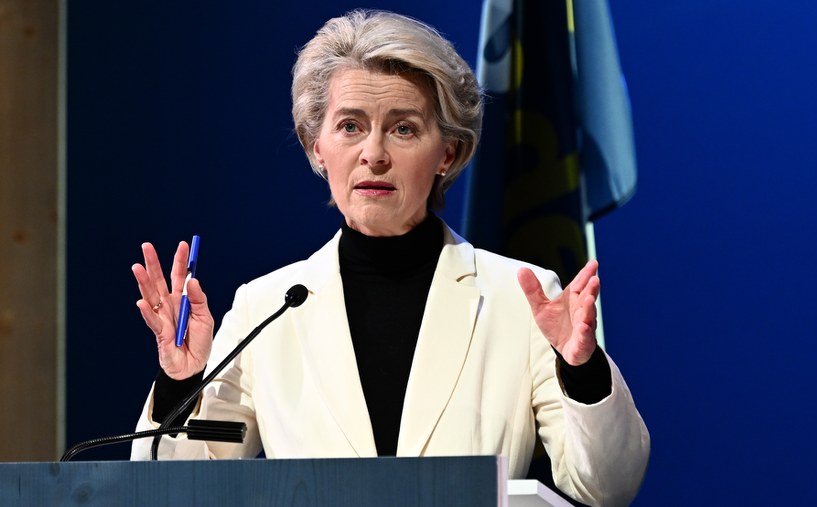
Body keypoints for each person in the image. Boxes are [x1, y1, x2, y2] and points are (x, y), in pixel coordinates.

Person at [130, 9, 649, 507]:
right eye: (350, 126)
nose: (373, 154)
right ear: (317, 146)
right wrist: (182, 382)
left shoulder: (520, 298)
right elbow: (177, 491)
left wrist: (582, 372)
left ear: (447, 153)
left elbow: (607, 487)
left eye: (403, 128)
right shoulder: (265, 308)